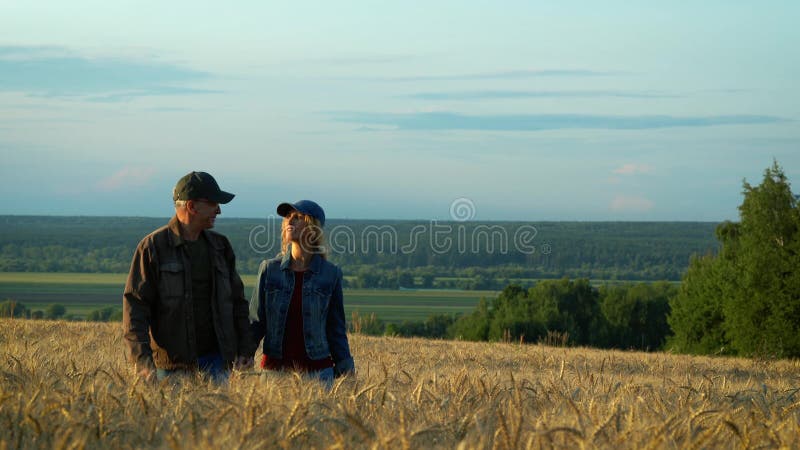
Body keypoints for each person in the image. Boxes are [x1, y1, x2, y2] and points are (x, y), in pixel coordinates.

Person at [123, 171, 255, 383]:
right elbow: (135, 309)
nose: (219, 210)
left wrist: (246, 350)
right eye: (213, 203)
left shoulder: (221, 246)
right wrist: (143, 365)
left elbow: (238, 302)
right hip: (172, 367)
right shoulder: (152, 247)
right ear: (192, 206)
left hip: (218, 363)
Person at [249, 200, 355, 386]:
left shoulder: (330, 274)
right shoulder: (269, 269)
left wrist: (345, 369)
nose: (290, 221)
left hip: (319, 374)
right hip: (275, 372)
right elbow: (257, 321)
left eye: (298, 218)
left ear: (313, 228)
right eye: (288, 217)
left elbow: (335, 328)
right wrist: (245, 354)